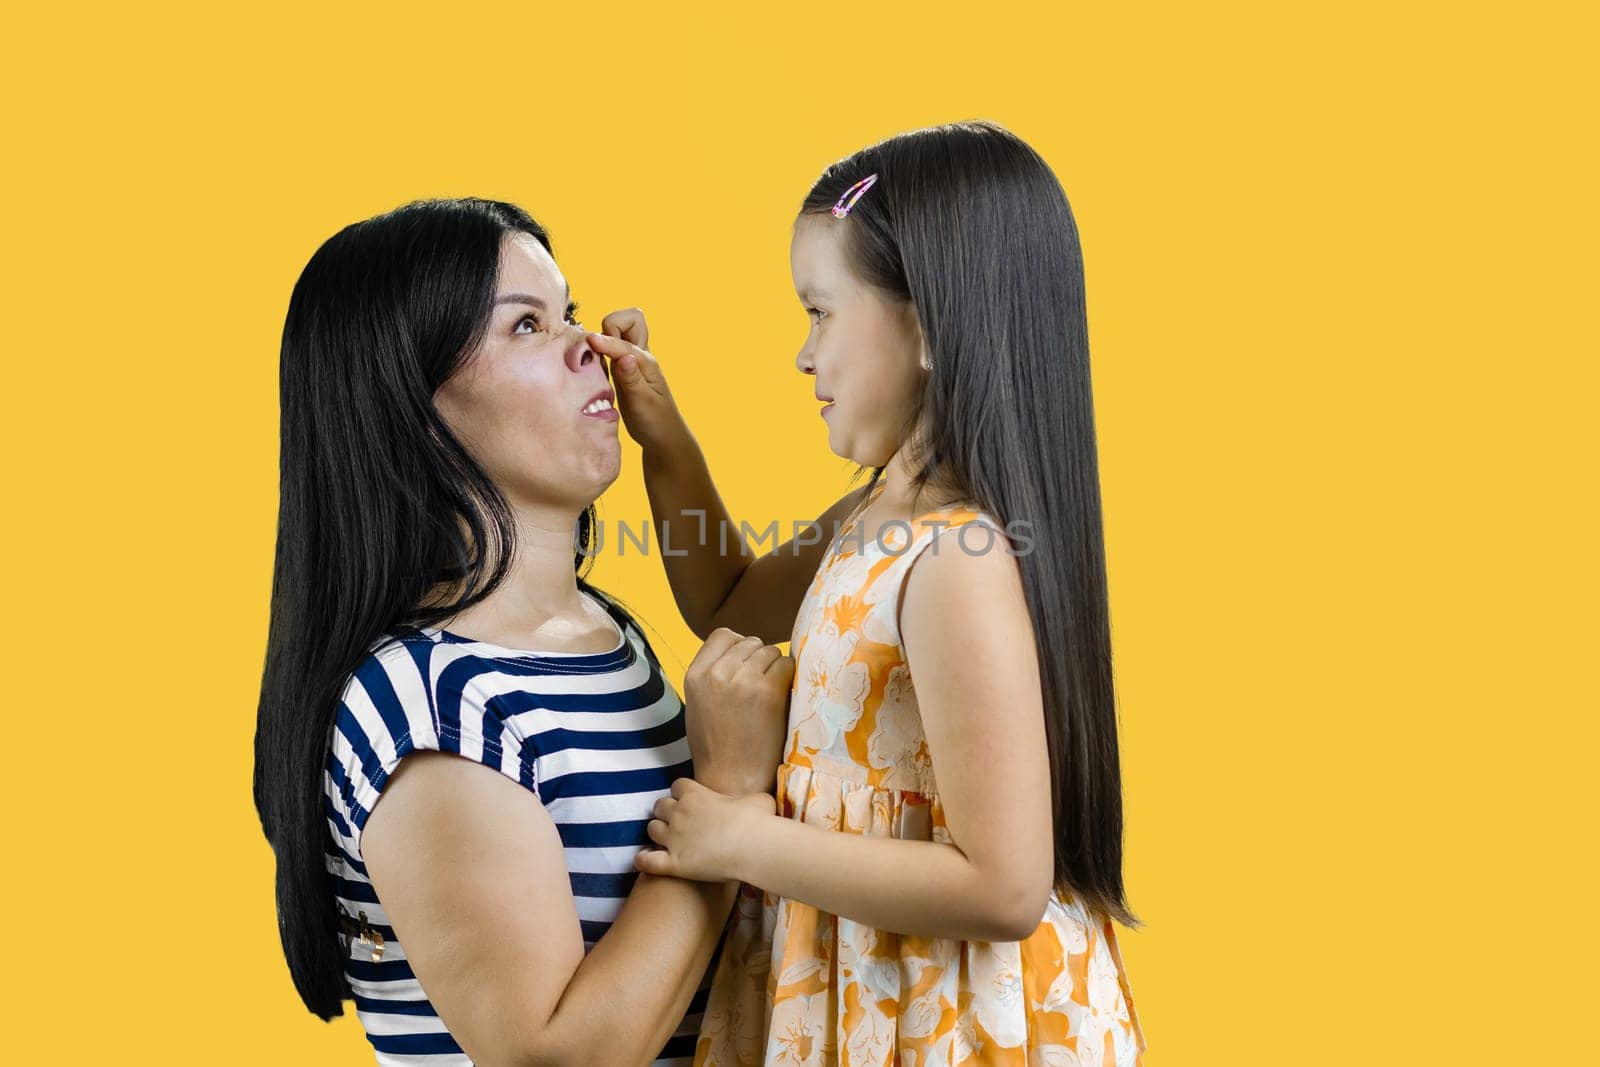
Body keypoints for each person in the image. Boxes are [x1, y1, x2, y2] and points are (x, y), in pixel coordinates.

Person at [587, 121, 1148, 1065]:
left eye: (819, 313)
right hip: (873, 996)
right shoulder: (878, 511)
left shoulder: (956, 558)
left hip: (949, 1022)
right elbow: (728, 597)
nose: (802, 358)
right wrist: (664, 437)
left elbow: (1005, 888)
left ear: (925, 325)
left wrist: (740, 842)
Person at [253, 197, 792, 1066]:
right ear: (418, 410)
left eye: (570, 311)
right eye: (528, 326)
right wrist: (727, 795)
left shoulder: (610, 636)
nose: (591, 346)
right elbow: (554, 1055)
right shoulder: (428, 706)